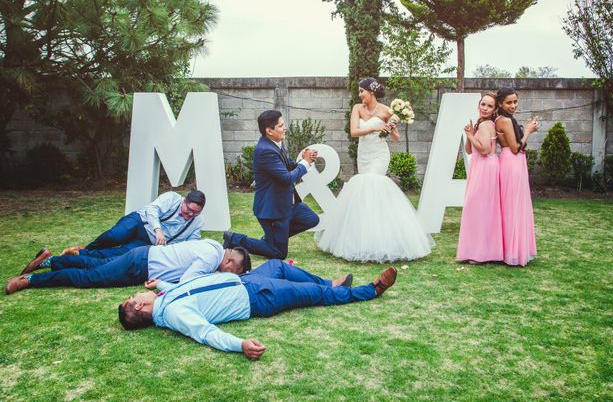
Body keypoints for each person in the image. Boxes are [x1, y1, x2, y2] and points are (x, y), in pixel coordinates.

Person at [118, 260, 398, 360]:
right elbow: (206, 333)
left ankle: (330, 282)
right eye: (135, 296)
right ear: (140, 305)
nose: (138, 293)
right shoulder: (174, 315)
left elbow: (188, 287)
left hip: (244, 280)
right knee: (314, 295)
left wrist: (162, 283)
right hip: (257, 297)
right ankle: (369, 290)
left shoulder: (164, 298)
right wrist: (240, 345)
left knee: (277, 264)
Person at [316, 77, 434, 262]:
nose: (359, 94)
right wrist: (375, 128)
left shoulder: (387, 110)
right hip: (364, 154)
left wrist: (392, 128)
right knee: (363, 191)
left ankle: (386, 239)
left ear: (371, 91)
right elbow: (354, 131)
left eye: (361, 91)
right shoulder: (357, 108)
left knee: (374, 185)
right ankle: (362, 238)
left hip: (380, 154)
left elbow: (395, 138)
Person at [223, 110, 320, 259]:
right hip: (273, 209)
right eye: (281, 126)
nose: (285, 128)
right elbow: (287, 178)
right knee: (279, 253)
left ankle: (271, 240)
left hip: (289, 204)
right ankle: (234, 239)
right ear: (269, 131)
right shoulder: (265, 151)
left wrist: (306, 161)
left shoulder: (275, 144)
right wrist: (305, 163)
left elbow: (286, 166)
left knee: (312, 219)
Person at [5, 239, 250, 294]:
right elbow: (188, 282)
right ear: (230, 262)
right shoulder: (210, 258)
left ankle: (48, 261)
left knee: (93, 262)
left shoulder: (214, 246)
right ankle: (30, 281)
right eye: (233, 271)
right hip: (141, 265)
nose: (227, 274)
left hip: (143, 256)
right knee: (88, 277)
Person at [59, 190, 207, 259]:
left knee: (122, 253)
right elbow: (152, 209)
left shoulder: (197, 222)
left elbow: (192, 243)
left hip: (149, 242)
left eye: (195, 213)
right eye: (189, 210)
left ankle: (82, 254)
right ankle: (88, 247)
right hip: (139, 222)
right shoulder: (172, 198)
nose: (190, 215)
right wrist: (158, 230)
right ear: (184, 201)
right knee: (115, 236)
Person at [456, 92, 503, 263]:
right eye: (483, 104)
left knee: (479, 209)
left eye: (490, 106)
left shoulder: (486, 125)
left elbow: (483, 149)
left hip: (485, 167)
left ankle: (481, 253)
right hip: (479, 166)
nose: (485, 108)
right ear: (479, 105)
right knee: (478, 209)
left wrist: (470, 135)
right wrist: (470, 133)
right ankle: (481, 251)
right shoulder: (480, 124)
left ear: (494, 109)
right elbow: (469, 150)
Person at [495, 87, 539, 266]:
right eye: (509, 102)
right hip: (511, 162)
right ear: (500, 103)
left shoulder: (507, 119)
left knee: (517, 205)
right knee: (513, 207)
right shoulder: (504, 120)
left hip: (515, 163)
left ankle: (516, 249)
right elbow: (515, 148)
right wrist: (528, 130)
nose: (513, 105)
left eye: (515, 102)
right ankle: (512, 252)